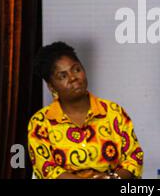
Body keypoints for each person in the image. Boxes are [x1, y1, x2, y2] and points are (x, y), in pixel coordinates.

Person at [28, 42, 144, 179]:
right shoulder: (41, 122)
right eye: (63, 76)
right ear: (51, 87)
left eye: (76, 69)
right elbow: (48, 170)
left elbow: (134, 158)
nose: (73, 78)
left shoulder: (113, 113)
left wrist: (111, 178)